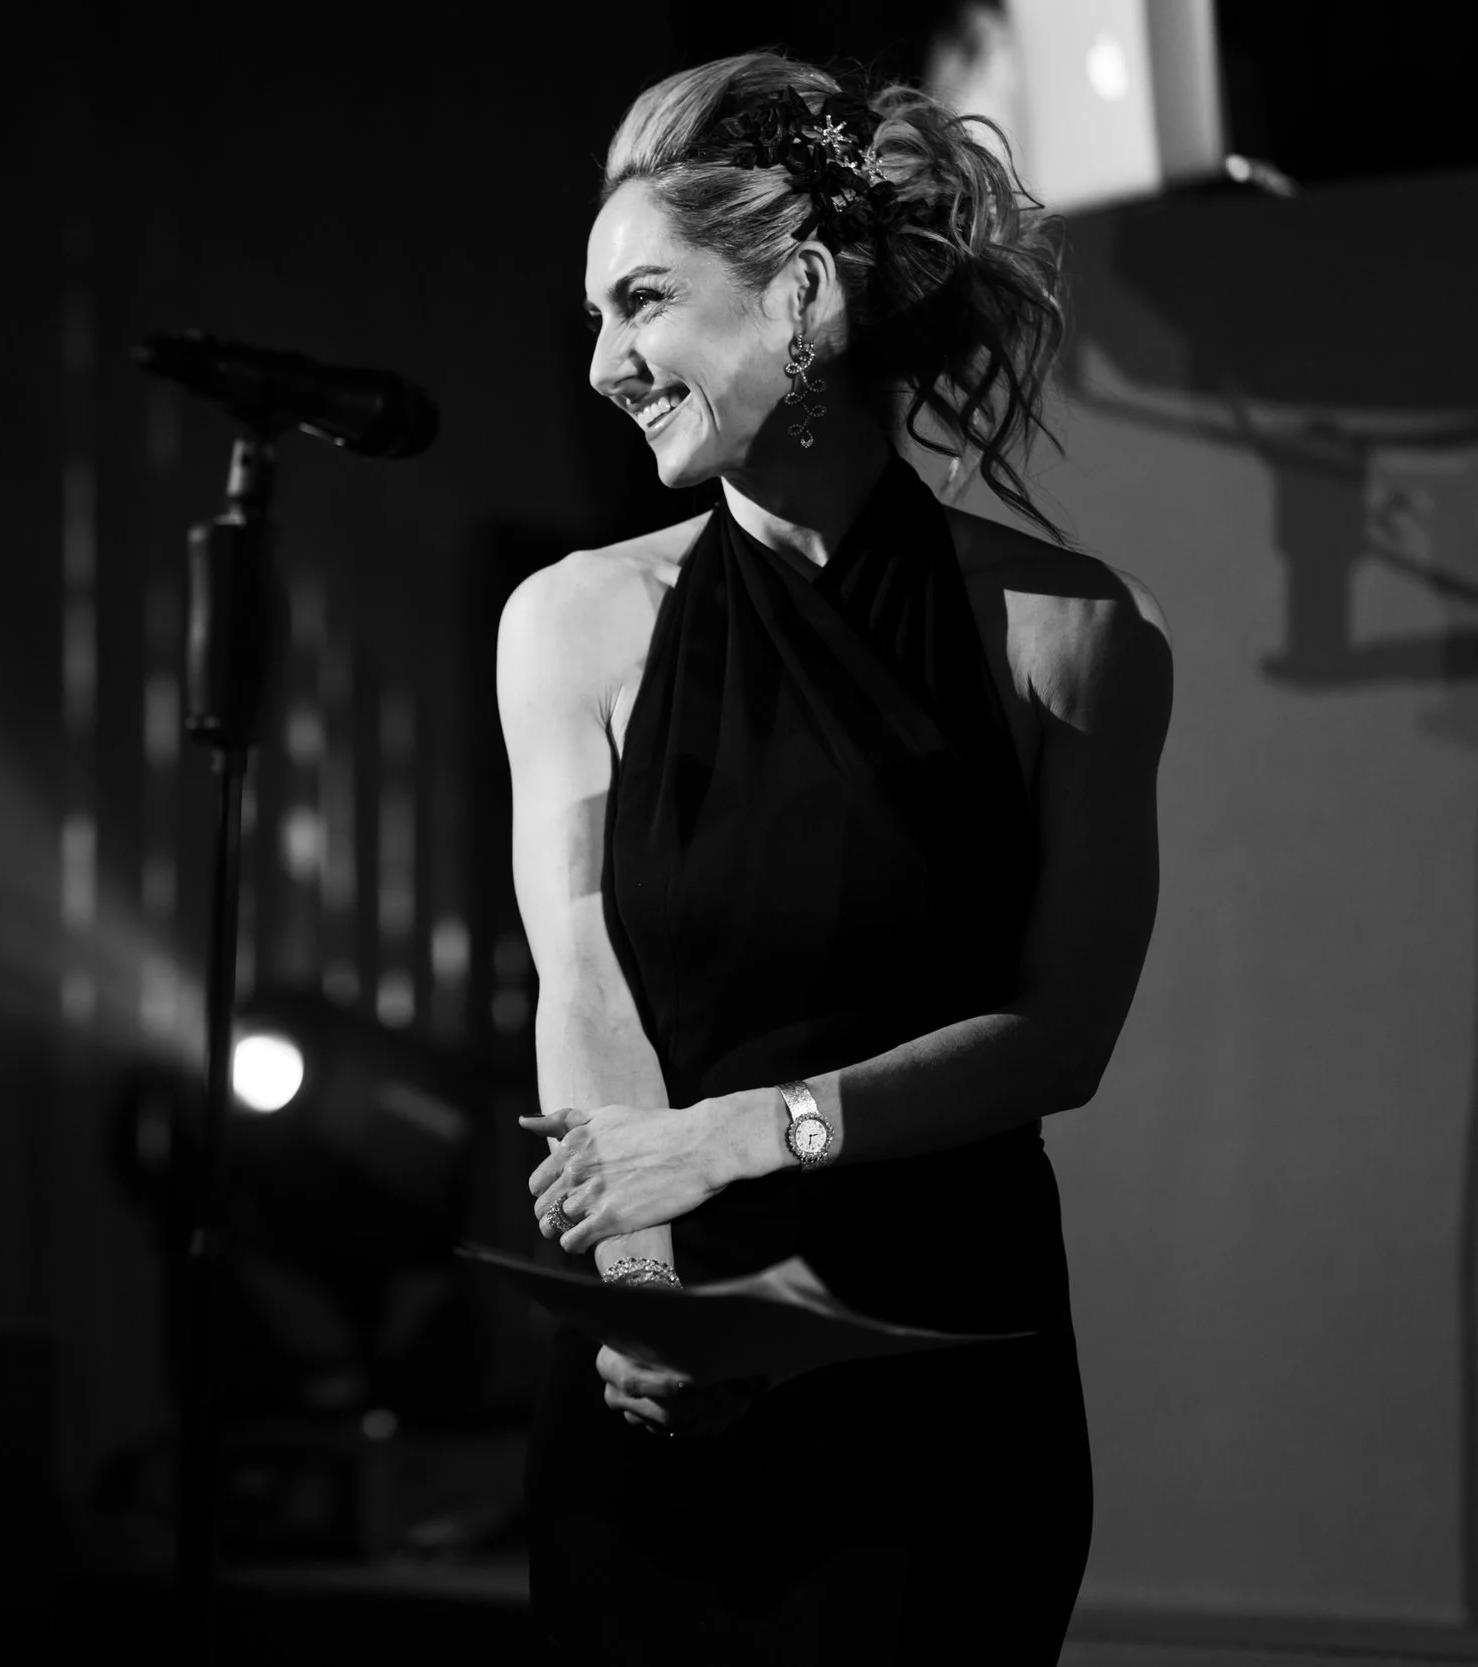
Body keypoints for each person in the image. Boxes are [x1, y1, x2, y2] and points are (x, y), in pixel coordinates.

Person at [495, 51, 1173, 1663]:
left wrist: (754, 1129)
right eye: (594, 316)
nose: (602, 364)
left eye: (643, 303)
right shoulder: (571, 623)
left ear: (800, 295)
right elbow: (582, 983)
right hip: (661, 1380)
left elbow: (1063, 1035)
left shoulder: (1073, 634)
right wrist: (650, 1300)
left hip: (945, 1385)